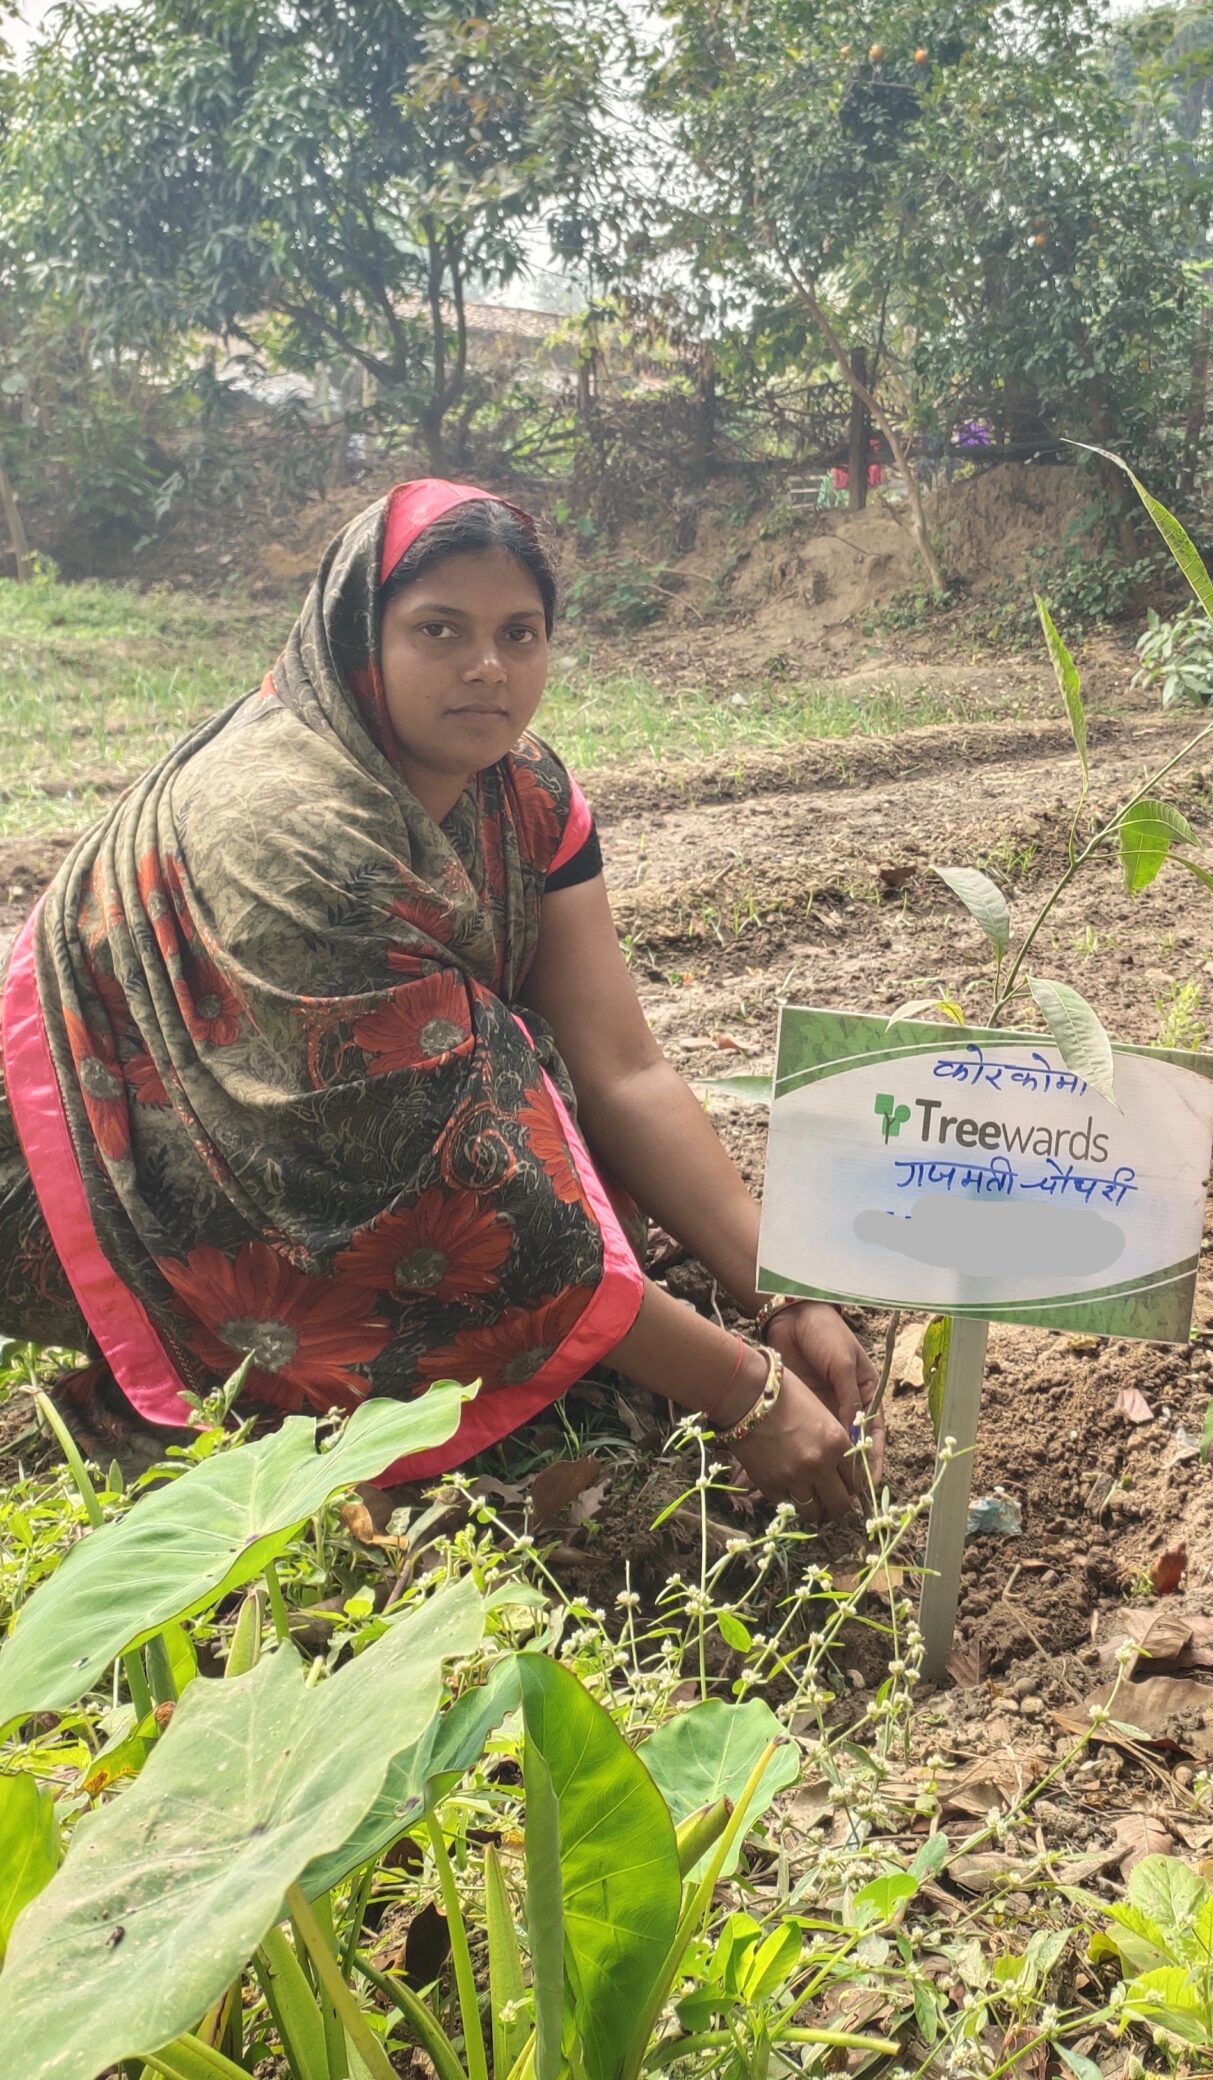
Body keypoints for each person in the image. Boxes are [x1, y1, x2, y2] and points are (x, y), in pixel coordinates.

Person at [0, 480, 876, 1509]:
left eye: (519, 633)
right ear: (355, 637)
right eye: (439, 629)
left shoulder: (525, 789)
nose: (487, 667)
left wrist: (784, 1295)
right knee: (490, 1162)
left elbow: (623, 1069)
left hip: (337, 1136)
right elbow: (469, 1186)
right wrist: (747, 1392)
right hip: (90, 1175)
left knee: (537, 1101)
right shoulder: (289, 834)